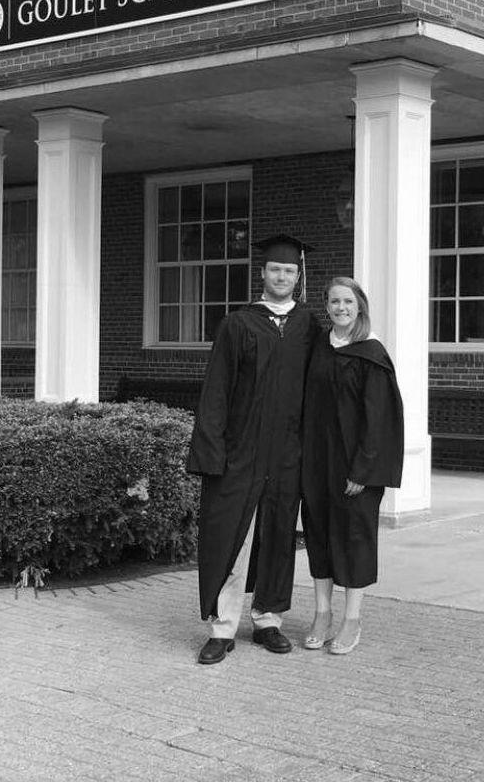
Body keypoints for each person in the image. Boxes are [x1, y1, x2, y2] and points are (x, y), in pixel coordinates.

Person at [187, 234, 320, 665]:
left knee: (279, 534)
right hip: (240, 451)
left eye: (289, 271)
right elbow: (216, 393)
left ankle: (268, 620)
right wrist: (211, 453)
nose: (282, 277)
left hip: (288, 452)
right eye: (275, 270)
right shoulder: (239, 324)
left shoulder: (308, 326)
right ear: (262, 273)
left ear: (298, 277)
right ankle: (223, 627)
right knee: (233, 536)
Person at [300, 276, 404, 655]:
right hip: (317, 462)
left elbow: (379, 420)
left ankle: (351, 619)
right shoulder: (320, 349)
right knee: (320, 535)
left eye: (347, 302)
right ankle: (322, 614)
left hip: (355, 468)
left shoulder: (370, 353)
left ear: (359, 305)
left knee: (354, 540)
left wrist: (363, 470)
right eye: (333, 302)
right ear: (326, 307)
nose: (340, 308)